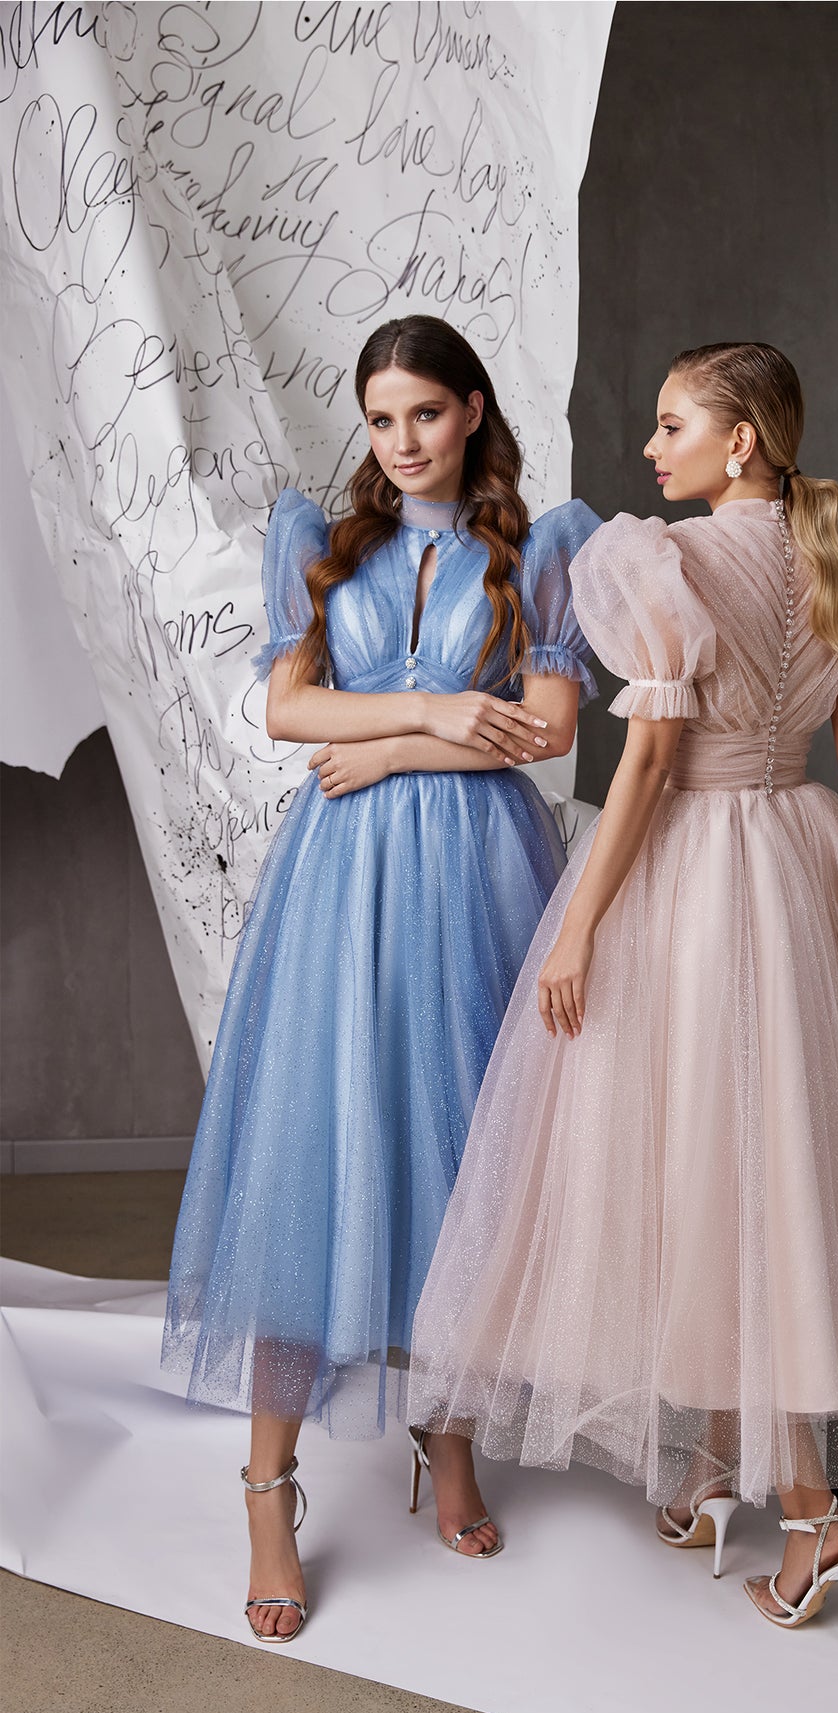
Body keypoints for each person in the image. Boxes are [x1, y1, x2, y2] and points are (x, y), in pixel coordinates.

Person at [407, 339, 838, 1643]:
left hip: (692, 881)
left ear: (740, 440)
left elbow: (643, 770)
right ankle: (713, 1473)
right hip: (803, 874)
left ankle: (811, 1519)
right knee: (768, 1178)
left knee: (701, 1173)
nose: (651, 448)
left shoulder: (667, 565)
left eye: (672, 424)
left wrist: (579, 928)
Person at [161, 314, 600, 1642]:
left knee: (458, 1156)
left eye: (425, 412)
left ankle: (445, 1438)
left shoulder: (542, 546)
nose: (402, 441)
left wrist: (401, 747)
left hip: (476, 878)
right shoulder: (322, 540)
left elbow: (548, 727)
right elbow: (289, 711)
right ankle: (267, 1490)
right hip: (341, 883)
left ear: (472, 411)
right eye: (381, 417)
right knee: (312, 1154)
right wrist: (429, 711)